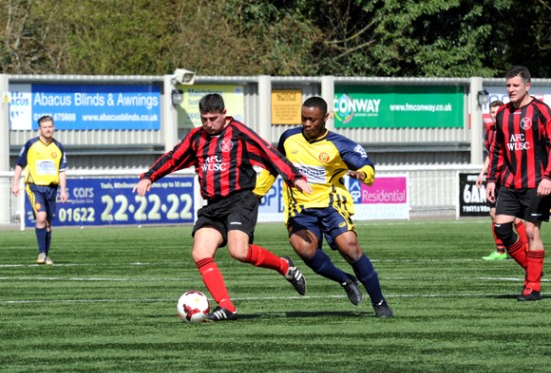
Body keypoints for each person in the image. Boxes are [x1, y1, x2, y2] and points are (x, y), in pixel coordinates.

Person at [133, 93, 312, 321]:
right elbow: (173, 157)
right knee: (200, 253)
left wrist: (294, 177)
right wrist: (149, 176)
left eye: (213, 118)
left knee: (239, 251)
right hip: (213, 206)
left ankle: (284, 266)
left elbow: (269, 152)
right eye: (204, 118)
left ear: (224, 114)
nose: (208, 124)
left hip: (240, 199)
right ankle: (227, 307)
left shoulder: (239, 132)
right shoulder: (196, 137)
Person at [254, 96, 393, 318]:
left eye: (312, 120)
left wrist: (362, 174)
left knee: (350, 248)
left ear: (325, 118)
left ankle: (380, 303)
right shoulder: (288, 138)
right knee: (304, 249)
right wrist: (258, 193)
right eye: (303, 119)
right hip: (299, 208)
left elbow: (368, 167)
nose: (307, 124)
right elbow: (274, 166)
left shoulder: (340, 145)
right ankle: (345, 280)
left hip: (331, 205)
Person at [487, 65, 551, 301]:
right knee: (501, 228)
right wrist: (492, 179)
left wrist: (548, 176)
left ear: (527, 86)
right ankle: (532, 269)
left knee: (533, 232)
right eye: (508, 85)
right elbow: (498, 150)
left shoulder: (541, 111)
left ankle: (532, 286)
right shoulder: (503, 114)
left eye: (515, 85)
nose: (511, 89)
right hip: (510, 184)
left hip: (537, 183)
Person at [11, 115, 68, 265]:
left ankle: (45, 255)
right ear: (40, 129)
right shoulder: (31, 144)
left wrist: (63, 190)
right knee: (41, 217)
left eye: (50, 126)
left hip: (51, 189)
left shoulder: (59, 147)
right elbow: (19, 164)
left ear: (54, 127)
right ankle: (42, 253)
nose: (48, 129)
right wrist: (15, 183)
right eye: (45, 127)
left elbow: (62, 170)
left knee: (48, 223)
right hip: (34, 187)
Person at [477, 100, 528, 261]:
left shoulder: (511, 130)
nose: (495, 115)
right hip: (494, 179)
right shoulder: (490, 131)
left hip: (508, 178)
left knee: (515, 217)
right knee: (493, 213)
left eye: (497, 112)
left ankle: (526, 248)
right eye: (492, 112)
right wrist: (482, 173)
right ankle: (500, 251)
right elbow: (491, 155)